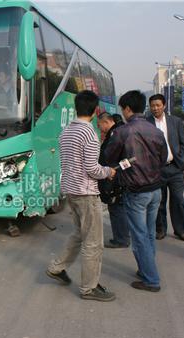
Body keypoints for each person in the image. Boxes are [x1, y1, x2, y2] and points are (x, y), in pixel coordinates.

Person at [46, 90, 116, 302]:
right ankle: (89, 288)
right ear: (95, 111)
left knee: (79, 234)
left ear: (76, 108)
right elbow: (92, 169)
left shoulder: (66, 131)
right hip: (86, 194)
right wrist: (109, 172)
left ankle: (57, 268)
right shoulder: (89, 134)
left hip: (70, 191)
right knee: (93, 243)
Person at [104, 90, 167, 292]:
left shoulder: (123, 132)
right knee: (148, 233)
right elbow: (164, 156)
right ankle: (145, 269)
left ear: (128, 109)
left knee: (139, 236)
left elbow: (107, 156)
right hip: (156, 189)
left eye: (123, 109)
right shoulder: (156, 131)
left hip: (136, 190)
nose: (122, 113)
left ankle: (151, 279)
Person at [146, 94, 184, 241]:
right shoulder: (146, 123)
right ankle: (161, 229)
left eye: (158, 105)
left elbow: (183, 143)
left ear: (164, 105)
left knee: (178, 200)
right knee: (159, 202)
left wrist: (181, 162)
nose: (155, 108)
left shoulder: (175, 121)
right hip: (157, 170)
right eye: (152, 105)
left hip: (175, 168)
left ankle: (180, 230)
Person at [97, 112, 130, 249]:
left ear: (106, 122)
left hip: (115, 177)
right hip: (116, 176)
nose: (100, 129)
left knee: (117, 209)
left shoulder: (115, 134)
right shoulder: (117, 132)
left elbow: (125, 158)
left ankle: (121, 239)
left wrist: (116, 171)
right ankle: (122, 236)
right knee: (118, 208)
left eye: (100, 126)